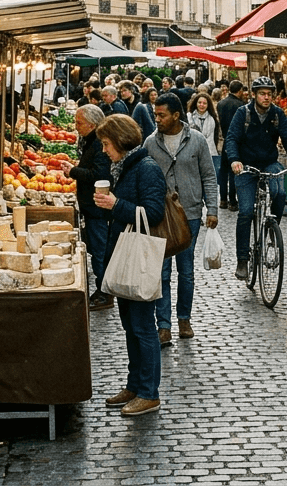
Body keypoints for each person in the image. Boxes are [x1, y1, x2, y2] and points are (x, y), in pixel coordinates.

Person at [94, 115, 167, 417]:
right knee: (130, 326)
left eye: (106, 144)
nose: (103, 150)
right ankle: (135, 384)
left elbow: (153, 213)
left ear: (121, 141)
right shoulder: (125, 166)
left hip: (139, 259)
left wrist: (116, 206)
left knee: (143, 327)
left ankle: (149, 393)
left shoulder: (147, 169)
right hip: (124, 256)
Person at [145, 93, 218, 344]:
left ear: (176, 115)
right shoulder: (150, 143)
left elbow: (208, 175)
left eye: (161, 115)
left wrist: (213, 210)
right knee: (162, 272)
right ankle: (163, 325)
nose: (157, 119)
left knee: (186, 271)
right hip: (160, 215)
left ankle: (184, 319)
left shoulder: (196, 140)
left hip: (190, 214)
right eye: (155, 114)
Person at [224, 76, 287, 281]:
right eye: (262, 94)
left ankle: (271, 229)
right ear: (254, 95)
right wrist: (234, 160)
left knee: (280, 192)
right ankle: (242, 259)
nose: (266, 97)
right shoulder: (243, 113)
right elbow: (231, 138)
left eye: (269, 94)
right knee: (246, 211)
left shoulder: (277, 114)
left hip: (269, 162)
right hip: (246, 165)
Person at [58, 105, 113, 309]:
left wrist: (74, 171)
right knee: (97, 248)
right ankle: (103, 289)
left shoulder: (99, 144)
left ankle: (104, 292)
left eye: (79, 123)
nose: (76, 126)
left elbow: (98, 175)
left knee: (99, 250)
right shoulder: (93, 140)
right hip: (91, 205)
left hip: (96, 207)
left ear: (91, 124)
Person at [216, 80, 248, 211]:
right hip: (237, 142)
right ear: (239, 91)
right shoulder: (242, 106)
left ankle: (223, 200)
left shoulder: (220, 104)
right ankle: (233, 201)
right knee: (234, 172)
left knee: (223, 171)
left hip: (225, 141)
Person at [187, 92, 221, 183]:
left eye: (204, 103)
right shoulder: (189, 117)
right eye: (199, 102)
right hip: (192, 152)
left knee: (208, 180)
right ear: (196, 103)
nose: (202, 105)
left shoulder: (212, 119)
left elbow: (214, 137)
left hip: (209, 152)